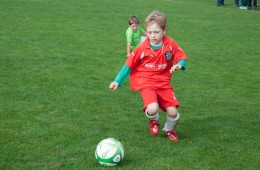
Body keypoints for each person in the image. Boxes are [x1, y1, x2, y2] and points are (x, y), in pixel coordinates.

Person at [109, 10, 188, 142]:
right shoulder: (142, 47)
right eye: (150, 32)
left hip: (163, 83)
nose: (152, 35)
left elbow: (181, 56)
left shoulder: (170, 44)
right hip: (146, 82)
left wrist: (180, 64)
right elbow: (129, 64)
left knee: (173, 113)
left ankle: (169, 130)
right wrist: (117, 81)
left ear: (164, 30)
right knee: (152, 108)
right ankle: (154, 121)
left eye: (156, 32)